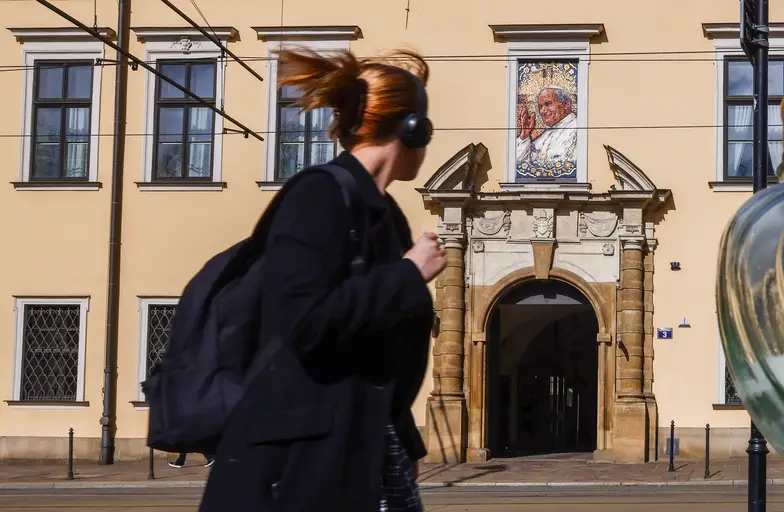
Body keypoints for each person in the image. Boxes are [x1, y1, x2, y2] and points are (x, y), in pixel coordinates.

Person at [199, 48, 445, 511]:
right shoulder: (318, 196)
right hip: (296, 460)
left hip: (360, 442)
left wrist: (404, 440)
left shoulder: (385, 217)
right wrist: (409, 273)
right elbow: (304, 320)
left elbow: (376, 351)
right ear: (411, 128)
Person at [516, 87, 577, 171]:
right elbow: (520, 165)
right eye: (540, 106)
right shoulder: (546, 135)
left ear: (566, 104)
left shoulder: (578, 129)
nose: (543, 111)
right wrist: (524, 136)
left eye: (548, 104)